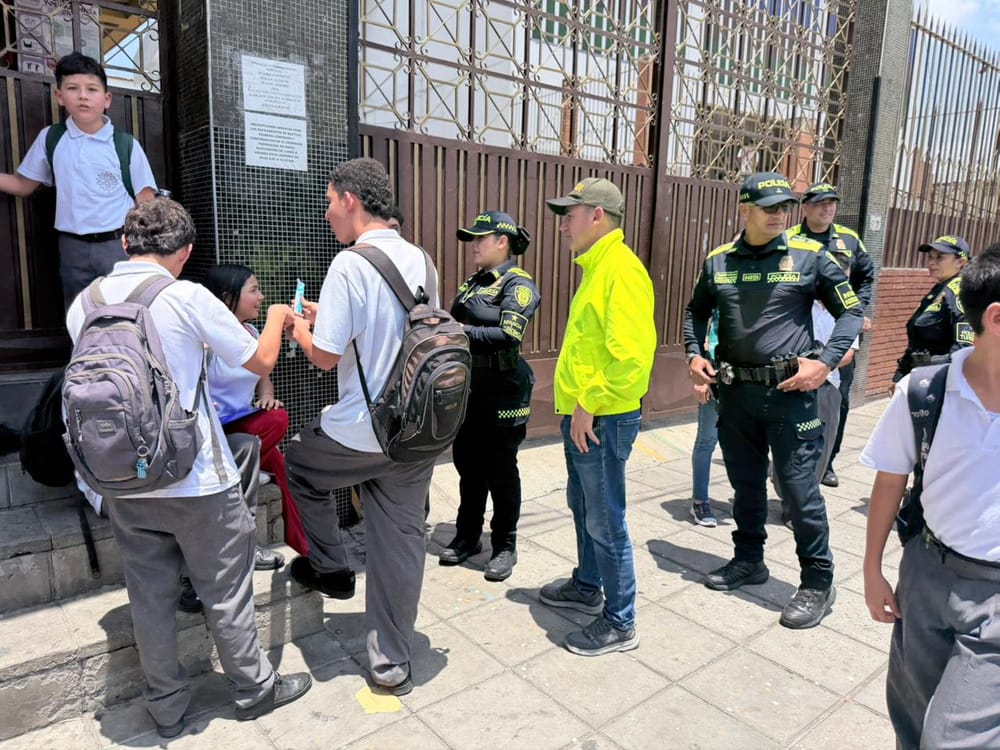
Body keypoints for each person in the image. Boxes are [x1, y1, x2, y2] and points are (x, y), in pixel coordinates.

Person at [64, 198, 310, 738]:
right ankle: (254, 687)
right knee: (225, 588)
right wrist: (273, 318)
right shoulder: (187, 296)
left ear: (124, 245)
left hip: (124, 477)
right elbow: (261, 361)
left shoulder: (84, 302)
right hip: (196, 476)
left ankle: (166, 706)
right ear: (186, 252)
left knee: (148, 596)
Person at [284, 157, 437, 696]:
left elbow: (326, 357)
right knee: (400, 541)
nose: (327, 214)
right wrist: (331, 315)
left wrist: (301, 329)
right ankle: (391, 662)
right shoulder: (421, 259)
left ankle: (330, 567)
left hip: (362, 431)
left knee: (298, 463)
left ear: (350, 199)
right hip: (417, 428)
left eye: (329, 202)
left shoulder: (349, 262)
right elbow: (401, 329)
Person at [684, 171, 863, 630]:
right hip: (737, 395)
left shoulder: (811, 258)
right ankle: (749, 561)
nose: (781, 215)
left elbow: (851, 314)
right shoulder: (719, 261)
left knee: (800, 493)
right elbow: (695, 311)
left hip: (790, 396)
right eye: (770, 208)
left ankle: (818, 581)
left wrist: (824, 362)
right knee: (745, 487)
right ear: (744, 209)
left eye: (785, 207)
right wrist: (693, 353)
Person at [861, 245, 1000, 749]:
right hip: (926, 573)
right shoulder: (926, 392)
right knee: (912, 716)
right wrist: (872, 568)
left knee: (953, 739)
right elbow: (890, 480)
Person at [537, 178, 656, 657]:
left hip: (601, 418)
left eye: (571, 213)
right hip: (585, 416)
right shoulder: (598, 267)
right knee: (585, 508)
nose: (564, 224)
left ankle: (620, 620)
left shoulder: (621, 270)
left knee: (606, 519)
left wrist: (589, 403)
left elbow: (631, 356)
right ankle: (588, 585)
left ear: (597, 216)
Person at [0, 52, 157, 307]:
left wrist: (144, 254)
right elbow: (22, 185)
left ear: (106, 99)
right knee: (78, 315)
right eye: (73, 88)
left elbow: (146, 202)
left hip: (118, 246)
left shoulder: (124, 144)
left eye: (92, 89)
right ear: (59, 96)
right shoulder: (52, 138)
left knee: (124, 313)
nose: (83, 96)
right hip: (72, 248)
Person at [438, 211, 540, 582]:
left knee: (500, 469)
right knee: (468, 465)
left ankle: (504, 544)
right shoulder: (473, 283)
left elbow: (508, 334)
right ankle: (468, 536)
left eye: (481, 238)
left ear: (503, 242)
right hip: (469, 388)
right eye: (472, 239)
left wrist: (459, 330)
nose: (474, 245)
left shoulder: (518, 284)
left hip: (504, 389)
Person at [203, 263, 310, 561]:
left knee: (286, 469)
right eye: (254, 290)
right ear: (227, 299)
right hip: (215, 433)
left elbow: (263, 373)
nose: (261, 297)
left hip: (243, 424)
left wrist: (266, 395)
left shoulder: (249, 331)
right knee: (278, 422)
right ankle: (247, 547)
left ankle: (306, 550)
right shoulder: (206, 339)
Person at [787, 182, 874, 487]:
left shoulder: (848, 240)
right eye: (821, 203)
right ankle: (789, 456)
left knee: (838, 398)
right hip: (801, 323)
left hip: (838, 325)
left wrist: (857, 310)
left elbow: (866, 275)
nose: (827, 208)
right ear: (806, 207)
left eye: (832, 203)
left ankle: (827, 462)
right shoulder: (789, 239)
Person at [770, 301, 858, 526]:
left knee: (821, 447)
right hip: (795, 384)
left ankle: (799, 505)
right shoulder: (799, 303)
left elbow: (849, 353)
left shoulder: (846, 311)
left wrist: (821, 367)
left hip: (828, 384)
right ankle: (788, 494)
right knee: (789, 445)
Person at [890, 234, 974, 392]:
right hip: (922, 378)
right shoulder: (939, 290)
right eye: (930, 257)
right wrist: (900, 375)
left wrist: (930, 369)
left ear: (960, 262)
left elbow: (964, 349)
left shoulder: (960, 293)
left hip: (941, 384)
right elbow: (917, 341)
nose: (931, 262)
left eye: (940, 257)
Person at [690, 311, 720, 528]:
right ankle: (700, 501)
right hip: (715, 376)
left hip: (750, 384)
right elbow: (701, 327)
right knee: (707, 440)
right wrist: (701, 379)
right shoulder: (719, 282)